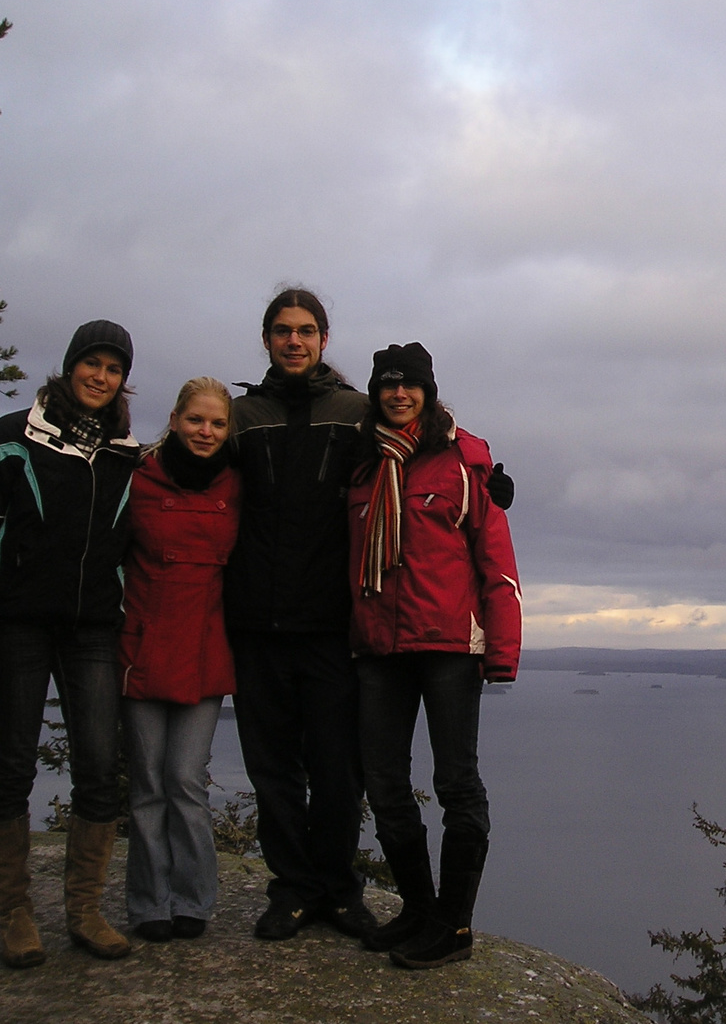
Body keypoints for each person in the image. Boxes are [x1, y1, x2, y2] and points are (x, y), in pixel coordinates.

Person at [225, 289, 516, 943]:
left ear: (325, 339)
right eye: (282, 330)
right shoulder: (268, 423)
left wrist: (492, 481)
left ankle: (406, 908)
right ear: (267, 338)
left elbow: (485, 539)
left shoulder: (400, 433)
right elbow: (196, 466)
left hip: (389, 635)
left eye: (306, 330)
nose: (293, 341)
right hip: (317, 633)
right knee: (325, 777)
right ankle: (347, 898)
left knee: (388, 775)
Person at [0, 320, 141, 967]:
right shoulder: (13, 436)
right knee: (12, 764)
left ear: (122, 381)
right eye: (91, 362)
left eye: (113, 368)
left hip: (92, 628)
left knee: (96, 764)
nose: (100, 375)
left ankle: (84, 909)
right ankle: (15, 913)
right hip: (21, 625)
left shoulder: (124, 455)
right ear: (69, 366)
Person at [348, 342, 521, 969]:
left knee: (455, 782)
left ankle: (454, 925)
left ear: (428, 391)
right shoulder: (363, 465)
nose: (399, 395)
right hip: (378, 646)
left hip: (447, 644)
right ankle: (419, 909)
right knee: (385, 783)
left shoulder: (464, 461)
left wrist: (501, 650)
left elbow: (496, 563)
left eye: (410, 386)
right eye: (388, 386)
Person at [119, 377, 240, 943]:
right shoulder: (136, 478)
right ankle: (148, 904)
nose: (206, 431)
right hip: (144, 645)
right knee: (146, 784)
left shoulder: (237, 484)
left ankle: (193, 900)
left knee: (185, 780)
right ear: (174, 419)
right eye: (196, 420)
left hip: (203, 650)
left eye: (217, 423)